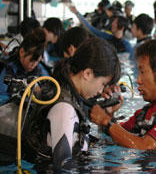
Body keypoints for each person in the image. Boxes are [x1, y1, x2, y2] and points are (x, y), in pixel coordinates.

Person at [24, 37, 122, 171]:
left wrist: (109, 114)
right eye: (102, 84)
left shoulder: (68, 93)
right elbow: (63, 168)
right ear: (87, 73)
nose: (100, 91)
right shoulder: (64, 109)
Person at [90, 39, 156, 149]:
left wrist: (106, 121)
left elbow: (145, 145)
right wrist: (109, 114)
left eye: (142, 72)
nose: (138, 80)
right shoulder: (145, 114)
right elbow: (114, 136)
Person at [0, 27, 47, 105]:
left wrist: (41, 92)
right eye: (31, 60)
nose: (34, 65)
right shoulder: (9, 70)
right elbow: (1, 97)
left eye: (37, 61)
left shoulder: (40, 69)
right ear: (21, 52)